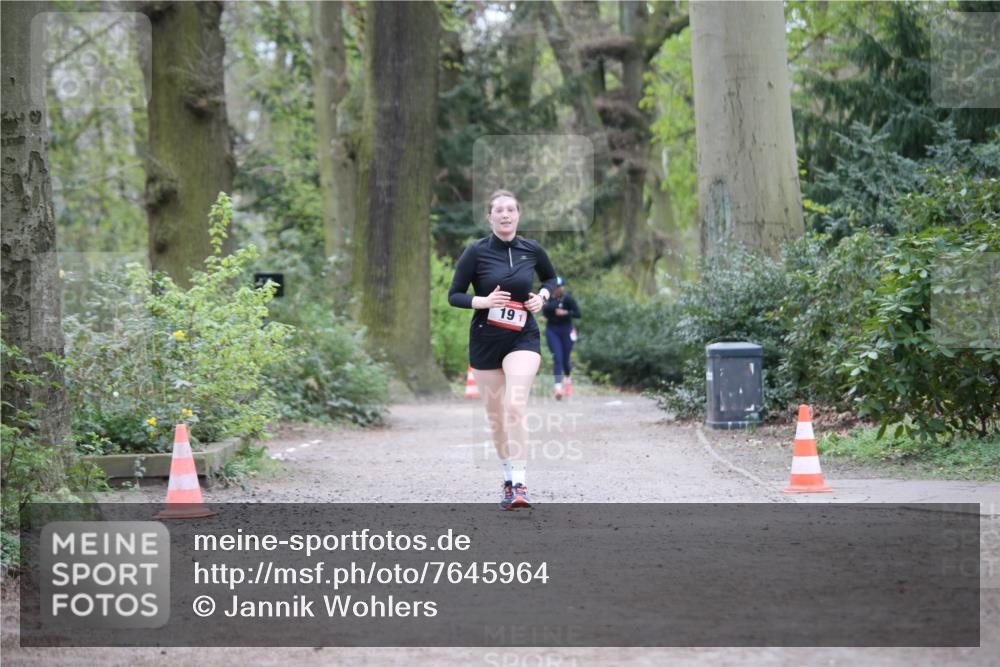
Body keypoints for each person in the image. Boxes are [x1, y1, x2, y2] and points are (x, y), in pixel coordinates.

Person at [448, 190, 558, 510]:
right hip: (485, 339)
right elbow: (454, 295)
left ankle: (521, 483)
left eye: (511, 209)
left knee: (514, 407)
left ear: (518, 215)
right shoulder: (476, 252)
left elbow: (551, 278)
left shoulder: (531, 249)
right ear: (490, 217)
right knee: (496, 417)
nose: (506, 215)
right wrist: (483, 301)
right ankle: (508, 479)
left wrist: (542, 297)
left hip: (523, 337)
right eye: (499, 210)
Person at [542, 276, 581, 400]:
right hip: (552, 330)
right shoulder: (549, 299)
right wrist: (547, 315)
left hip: (566, 330)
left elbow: (578, 314)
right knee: (557, 357)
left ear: (562, 287)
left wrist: (566, 312)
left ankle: (568, 380)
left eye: (558, 287)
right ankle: (558, 387)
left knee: (565, 360)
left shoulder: (568, 299)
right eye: (555, 287)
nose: (557, 289)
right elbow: (546, 311)